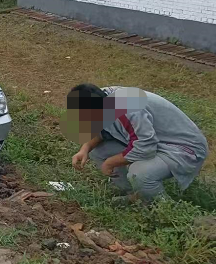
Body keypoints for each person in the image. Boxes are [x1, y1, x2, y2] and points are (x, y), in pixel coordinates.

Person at [68, 83, 208, 203]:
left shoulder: (126, 107)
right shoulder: (100, 99)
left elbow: (146, 148)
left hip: (183, 147)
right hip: (154, 141)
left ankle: (166, 211)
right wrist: (85, 148)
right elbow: (103, 131)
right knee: (98, 150)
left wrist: (110, 163)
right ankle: (134, 194)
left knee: (139, 174)